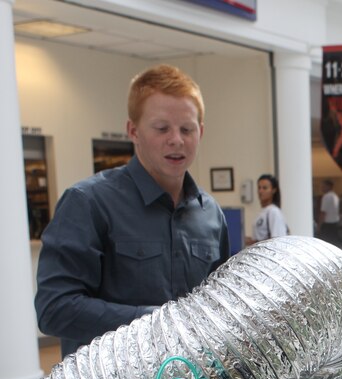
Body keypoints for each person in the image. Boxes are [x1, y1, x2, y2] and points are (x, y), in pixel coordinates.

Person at [35, 64, 228, 357]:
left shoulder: (211, 214)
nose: (176, 139)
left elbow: (220, 309)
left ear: (200, 132)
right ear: (133, 131)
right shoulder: (88, 202)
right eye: (162, 128)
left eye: (186, 129)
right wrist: (156, 324)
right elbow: (55, 309)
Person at [251, 174, 287, 242]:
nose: (260, 191)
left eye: (264, 188)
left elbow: (277, 240)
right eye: (259, 188)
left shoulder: (273, 211)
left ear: (273, 190)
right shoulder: (262, 212)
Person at [319, 179, 341, 245]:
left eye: (323, 186)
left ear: (328, 186)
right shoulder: (335, 196)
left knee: (326, 244)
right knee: (334, 243)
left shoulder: (326, 196)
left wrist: (319, 225)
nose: (322, 188)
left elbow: (323, 212)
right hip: (335, 223)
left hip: (327, 225)